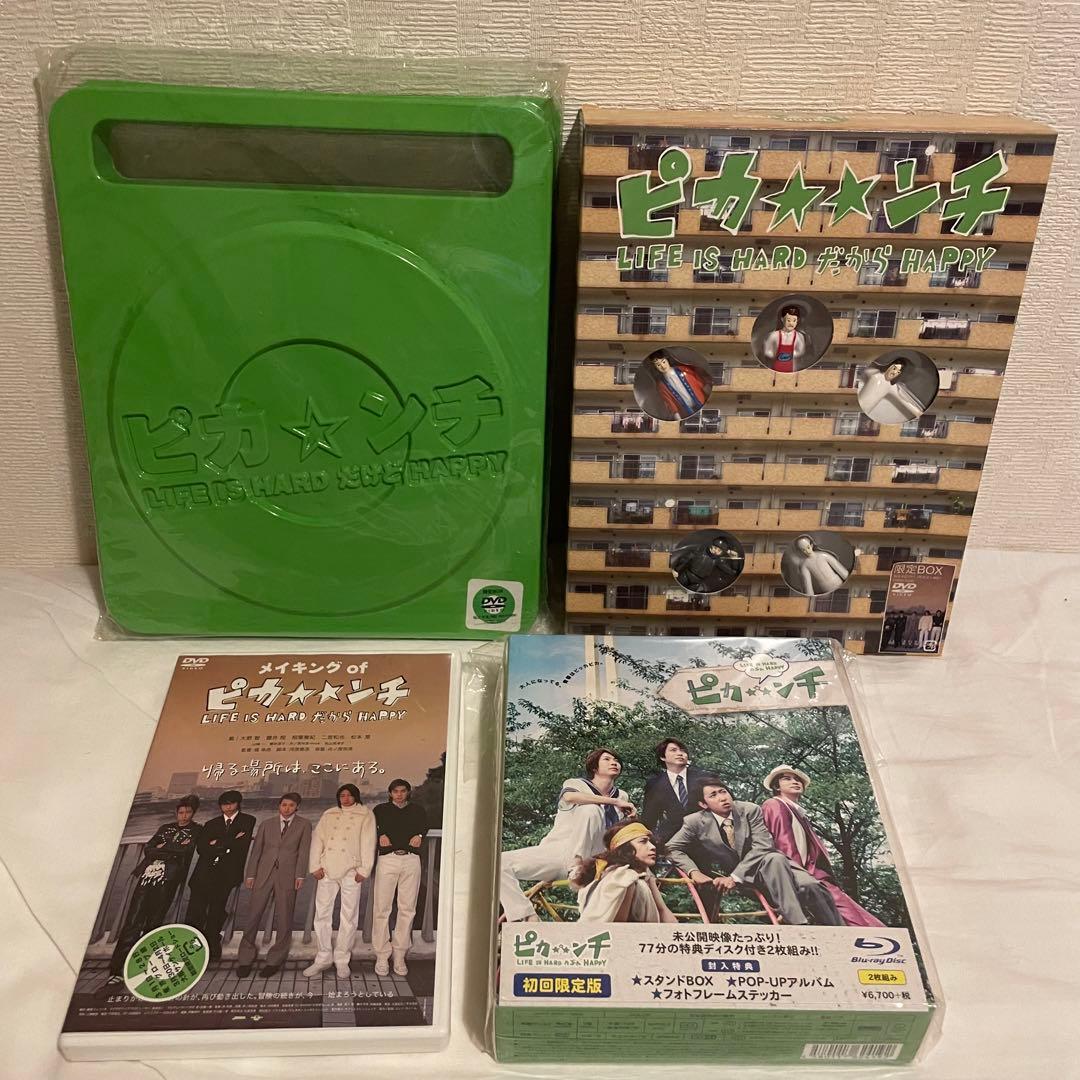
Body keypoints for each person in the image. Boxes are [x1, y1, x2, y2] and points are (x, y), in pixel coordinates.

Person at [667, 777, 842, 925]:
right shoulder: (695, 822)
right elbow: (672, 847)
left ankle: (839, 933)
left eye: (723, 791)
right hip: (749, 876)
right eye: (713, 795)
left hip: (771, 866)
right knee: (776, 860)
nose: (722, 798)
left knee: (810, 884)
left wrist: (734, 877)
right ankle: (798, 925)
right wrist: (694, 872)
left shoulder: (749, 810)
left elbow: (763, 846)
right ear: (703, 804)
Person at [500, 748, 634, 922]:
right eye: (607, 759)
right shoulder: (577, 784)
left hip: (596, 858)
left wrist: (631, 819)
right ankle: (526, 916)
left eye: (616, 760)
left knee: (594, 813)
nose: (614, 762)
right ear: (594, 767)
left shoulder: (622, 795)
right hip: (559, 851)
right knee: (499, 863)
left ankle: (579, 867)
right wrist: (614, 802)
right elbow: (570, 797)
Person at [760, 766, 884, 927]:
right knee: (858, 923)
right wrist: (799, 878)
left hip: (818, 877)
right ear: (776, 786)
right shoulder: (775, 804)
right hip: (804, 877)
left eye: (797, 779)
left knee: (865, 922)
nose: (795, 782)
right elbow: (784, 843)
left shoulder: (798, 813)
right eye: (787, 779)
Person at [102, 795, 201, 990]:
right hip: (146, 877)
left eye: (188, 812)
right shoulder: (165, 828)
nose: (184, 816)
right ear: (176, 813)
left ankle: (143, 966)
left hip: (168, 880)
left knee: (154, 923)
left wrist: (163, 848)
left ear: (193, 813)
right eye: (181, 812)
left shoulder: (196, 830)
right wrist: (170, 849)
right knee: (132, 921)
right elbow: (149, 849)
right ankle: (117, 969)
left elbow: (185, 850)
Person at [303, 783, 376, 979]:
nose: (346, 798)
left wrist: (364, 869)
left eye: (349, 795)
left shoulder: (365, 814)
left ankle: (342, 959)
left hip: (352, 870)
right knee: (322, 914)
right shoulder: (329, 814)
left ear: (356, 796)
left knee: (349, 916)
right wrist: (315, 866)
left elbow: (369, 842)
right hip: (327, 869)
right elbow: (317, 840)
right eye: (342, 795)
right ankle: (323, 957)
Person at [235, 792, 312, 978]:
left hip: (288, 875)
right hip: (263, 874)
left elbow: (304, 851)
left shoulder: (304, 825)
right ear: (279, 805)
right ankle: (245, 958)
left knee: (285, 917)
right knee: (253, 915)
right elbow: (256, 851)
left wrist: (300, 875)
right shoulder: (266, 824)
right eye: (284, 805)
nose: (287, 808)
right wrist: (251, 874)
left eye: (291, 805)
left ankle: (275, 960)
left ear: (297, 807)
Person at [185, 790, 255, 962]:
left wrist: (216, 843)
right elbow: (202, 848)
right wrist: (229, 842)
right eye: (224, 804)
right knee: (195, 911)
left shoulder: (248, 820)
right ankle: (191, 947)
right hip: (203, 873)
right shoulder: (211, 823)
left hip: (226, 874)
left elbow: (241, 845)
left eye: (231, 803)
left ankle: (212, 946)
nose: (228, 807)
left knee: (217, 910)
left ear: (238, 803)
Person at [372, 779, 429, 978]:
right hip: (387, 859)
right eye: (395, 791)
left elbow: (424, 826)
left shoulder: (418, 810)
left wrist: (420, 835)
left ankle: (399, 954)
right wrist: (380, 834)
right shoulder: (380, 810)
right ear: (390, 793)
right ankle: (381, 955)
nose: (399, 794)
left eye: (403, 791)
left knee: (407, 908)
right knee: (382, 908)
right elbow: (371, 829)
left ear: (408, 792)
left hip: (411, 860)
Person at [571, 821, 678, 923]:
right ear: (626, 848)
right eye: (643, 841)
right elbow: (620, 929)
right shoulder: (624, 878)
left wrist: (652, 885)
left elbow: (666, 917)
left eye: (651, 842)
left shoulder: (638, 877)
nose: (653, 847)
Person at [642, 737, 709, 844]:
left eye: (683, 751)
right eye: (673, 750)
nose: (680, 753)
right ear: (662, 757)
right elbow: (649, 819)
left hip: (706, 837)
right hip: (671, 841)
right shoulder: (654, 784)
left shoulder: (704, 777)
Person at [857, 358, 930, 424]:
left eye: (898, 372)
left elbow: (906, 403)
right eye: (894, 368)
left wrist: (921, 414)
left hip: (864, 411)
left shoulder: (892, 387)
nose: (894, 373)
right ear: (890, 366)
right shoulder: (875, 374)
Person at [642, 352, 710, 419]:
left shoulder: (684, 370)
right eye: (658, 365)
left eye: (663, 362)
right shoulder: (661, 386)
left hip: (701, 401)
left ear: (667, 360)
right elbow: (670, 403)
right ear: (655, 367)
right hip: (687, 411)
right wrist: (677, 417)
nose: (663, 366)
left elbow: (700, 383)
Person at [670, 534, 744, 594]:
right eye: (715, 548)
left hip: (697, 582)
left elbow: (731, 572)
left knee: (688, 594)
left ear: (722, 552)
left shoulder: (718, 561)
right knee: (675, 588)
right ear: (711, 546)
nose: (715, 551)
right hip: (686, 575)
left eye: (719, 550)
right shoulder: (699, 552)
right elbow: (685, 559)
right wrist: (676, 569)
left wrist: (735, 559)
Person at [762, 305, 809, 372]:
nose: (791, 323)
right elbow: (767, 351)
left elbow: (801, 351)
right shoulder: (774, 335)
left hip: (792, 370)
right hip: (775, 369)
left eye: (794, 320)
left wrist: (791, 354)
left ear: (797, 321)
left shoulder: (799, 336)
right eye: (788, 320)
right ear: (782, 319)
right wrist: (774, 354)